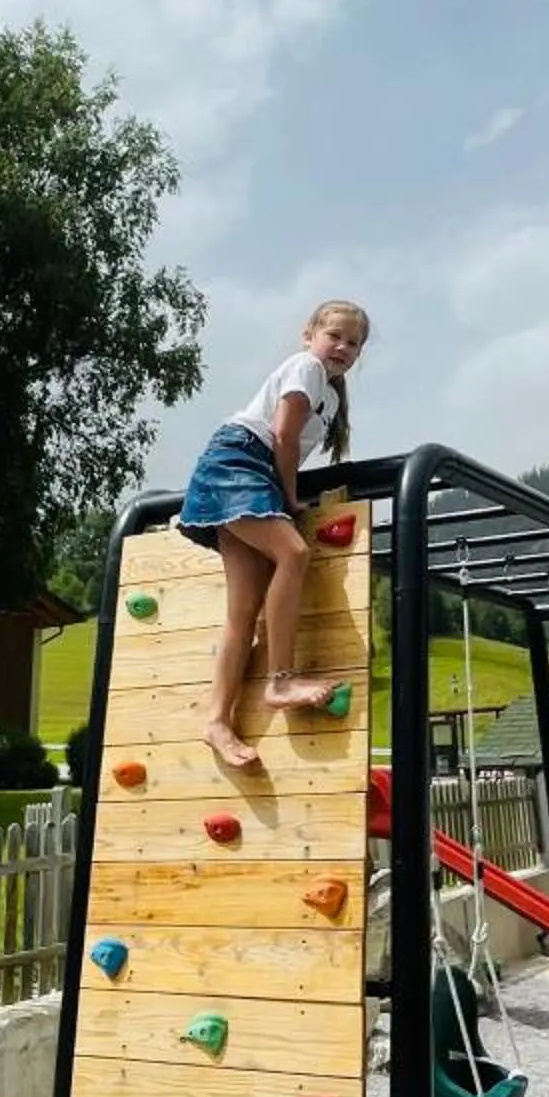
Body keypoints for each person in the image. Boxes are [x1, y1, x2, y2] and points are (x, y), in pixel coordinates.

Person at [178, 301, 371, 769]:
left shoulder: (328, 394)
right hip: (240, 461)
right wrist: (289, 499)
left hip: (252, 468)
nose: (344, 347)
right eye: (335, 336)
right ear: (309, 335)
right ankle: (280, 679)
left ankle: (216, 720)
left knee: (242, 612)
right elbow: (284, 437)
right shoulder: (305, 367)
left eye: (354, 343)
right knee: (294, 553)